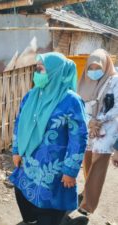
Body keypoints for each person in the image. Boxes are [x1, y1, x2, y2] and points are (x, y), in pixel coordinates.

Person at [9, 52, 88, 225]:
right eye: (36, 69)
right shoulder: (32, 95)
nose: (36, 74)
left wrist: (70, 170)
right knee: (26, 203)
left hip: (54, 170)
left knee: (50, 212)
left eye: (41, 69)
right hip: (28, 164)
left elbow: (79, 137)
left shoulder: (71, 100)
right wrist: (16, 150)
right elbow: (19, 123)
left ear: (55, 72)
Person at [78, 49, 118, 215]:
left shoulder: (114, 81)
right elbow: (80, 104)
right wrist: (90, 121)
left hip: (106, 130)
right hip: (89, 128)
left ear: (106, 65)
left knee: (98, 166)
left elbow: (116, 106)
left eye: (98, 67)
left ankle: (88, 206)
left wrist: (98, 120)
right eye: (91, 67)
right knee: (87, 162)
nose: (94, 71)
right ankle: (88, 193)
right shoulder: (84, 80)